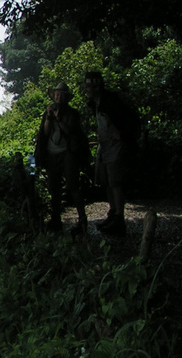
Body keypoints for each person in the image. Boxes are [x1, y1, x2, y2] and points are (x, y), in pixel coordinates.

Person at [83, 71, 140, 236]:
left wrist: (121, 135)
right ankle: (113, 212)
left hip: (115, 145)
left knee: (115, 182)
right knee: (107, 181)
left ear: (96, 87)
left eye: (88, 86)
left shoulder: (111, 102)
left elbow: (129, 120)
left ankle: (119, 218)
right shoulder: (97, 103)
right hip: (105, 145)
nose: (86, 90)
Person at [35, 82, 89, 234]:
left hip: (68, 153)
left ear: (66, 97)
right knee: (54, 187)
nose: (58, 97)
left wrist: (58, 119)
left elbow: (71, 131)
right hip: (52, 153)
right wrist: (49, 118)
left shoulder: (72, 113)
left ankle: (82, 219)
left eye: (61, 94)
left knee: (73, 185)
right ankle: (55, 219)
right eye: (56, 94)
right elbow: (45, 133)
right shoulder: (49, 111)